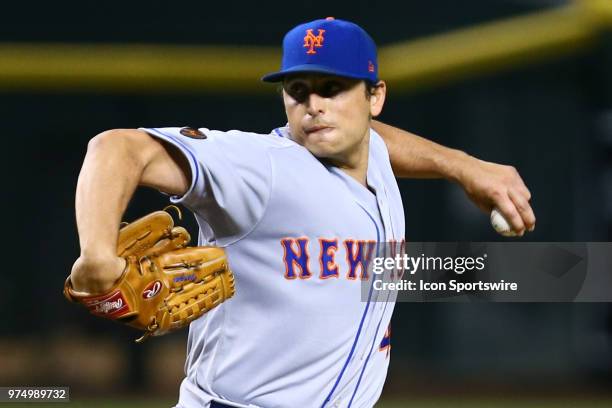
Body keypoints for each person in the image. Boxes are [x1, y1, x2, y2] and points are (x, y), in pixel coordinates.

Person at [69, 17, 535, 408]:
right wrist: (96, 256)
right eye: (298, 90)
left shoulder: (370, 154)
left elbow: (376, 140)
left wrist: (466, 168)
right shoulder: (261, 167)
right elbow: (116, 148)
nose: (314, 106)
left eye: (333, 89)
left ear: (375, 98)